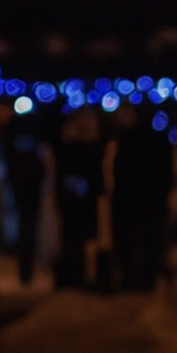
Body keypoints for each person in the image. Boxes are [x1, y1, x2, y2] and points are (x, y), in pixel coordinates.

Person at [110, 103, 177, 293]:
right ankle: (142, 281)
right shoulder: (157, 141)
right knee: (148, 245)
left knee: (137, 245)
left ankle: (135, 282)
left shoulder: (130, 141)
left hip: (135, 203)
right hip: (147, 203)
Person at [52, 106, 106, 292]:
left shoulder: (85, 147)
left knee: (79, 240)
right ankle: (75, 276)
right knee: (74, 240)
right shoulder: (74, 146)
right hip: (75, 201)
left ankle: (79, 276)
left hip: (80, 201)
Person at [0, 104, 48, 289]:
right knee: (26, 227)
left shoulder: (13, 141)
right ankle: (26, 270)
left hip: (23, 187)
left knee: (26, 227)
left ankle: (26, 270)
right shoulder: (27, 144)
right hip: (25, 188)